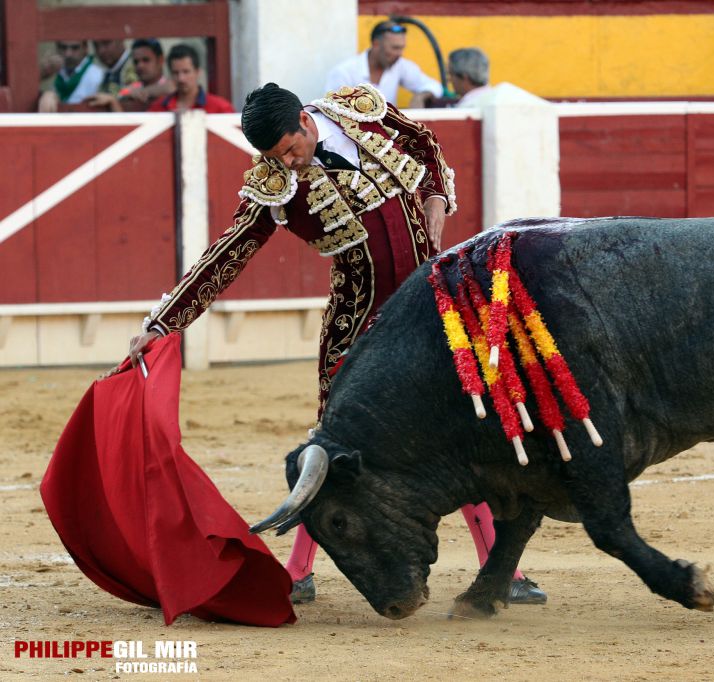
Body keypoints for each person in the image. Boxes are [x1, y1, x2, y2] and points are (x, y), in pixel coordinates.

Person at [124, 82, 545, 606]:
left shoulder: (358, 111)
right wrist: (164, 322)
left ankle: (503, 573)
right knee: (336, 452)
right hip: (361, 326)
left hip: (431, 314)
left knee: (459, 435)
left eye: (290, 149)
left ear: (305, 121)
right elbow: (227, 253)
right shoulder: (275, 186)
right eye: (275, 157)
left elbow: (423, 142)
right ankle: (297, 572)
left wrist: (435, 196)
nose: (288, 163)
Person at [323, 20, 442, 108]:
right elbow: (333, 109)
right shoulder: (344, 72)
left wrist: (421, 95)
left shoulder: (399, 65)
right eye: (395, 48)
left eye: (401, 48)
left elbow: (435, 86)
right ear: (376, 44)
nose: (399, 54)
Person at [148, 44, 234, 113]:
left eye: (186, 72)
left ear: (197, 72)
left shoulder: (221, 108)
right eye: (175, 73)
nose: (181, 78)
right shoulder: (157, 108)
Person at [37, 40, 104, 112]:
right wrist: (40, 75)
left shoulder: (99, 75)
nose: (68, 54)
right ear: (57, 48)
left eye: (75, 48)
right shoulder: (50, 71)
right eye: (63, 47)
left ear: (85, 49)